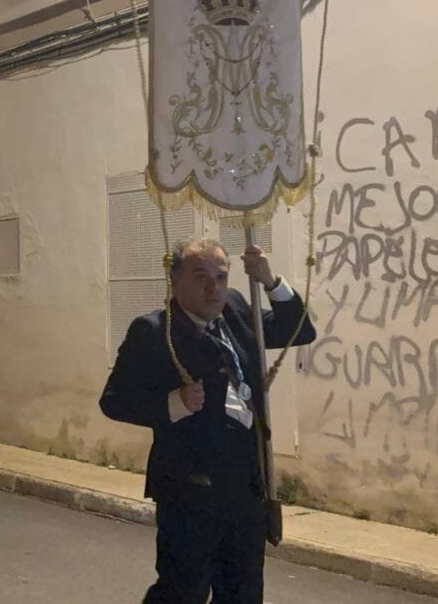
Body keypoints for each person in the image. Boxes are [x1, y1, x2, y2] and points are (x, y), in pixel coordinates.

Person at [99, 240, 317, 604]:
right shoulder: (153, 332)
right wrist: (173, 404)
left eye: (220, 276)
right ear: (175, 280)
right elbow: (114, 401)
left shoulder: (233, 309)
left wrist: (269, 281)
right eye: (200, 277)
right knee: (182, 591)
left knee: (243, 593)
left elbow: (300, 331)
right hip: (189, 491)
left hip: (245, 489)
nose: (213, 287)